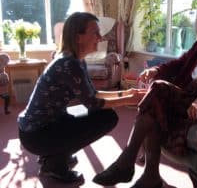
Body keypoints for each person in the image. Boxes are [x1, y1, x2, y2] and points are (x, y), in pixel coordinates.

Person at [92, 6, 197, 188]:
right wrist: (156, 69)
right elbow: (178, 64)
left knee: (157, 93)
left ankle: (127, 162)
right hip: (186, 95)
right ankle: (150, 176)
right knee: (152, 112)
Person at [17, 12, 146, 183]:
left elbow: (93, 94)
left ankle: (55, 154)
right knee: (107, 117)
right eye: (95, 33)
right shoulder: (69, 64)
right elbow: (94, 103)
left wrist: (128, 94)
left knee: (104, 114)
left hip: (38, 128)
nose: (100, 38)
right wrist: (131, 100)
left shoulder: (75, 59)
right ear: (78, 37)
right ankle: (53, 165)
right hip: (36, 135)